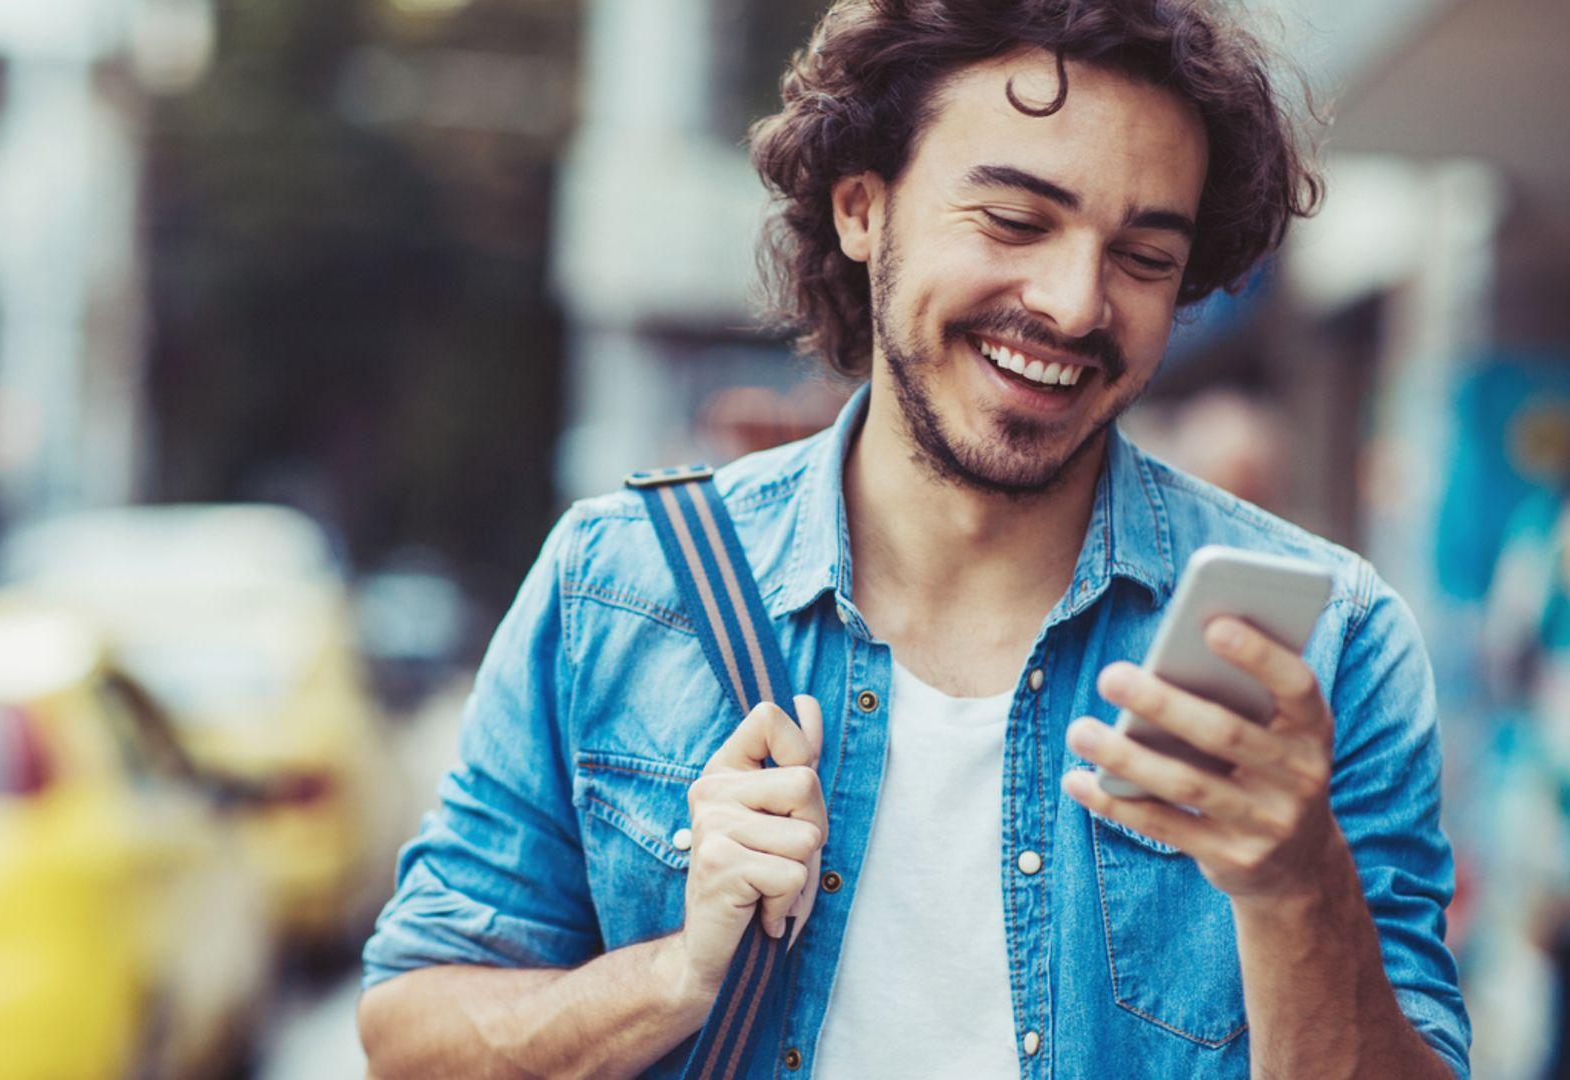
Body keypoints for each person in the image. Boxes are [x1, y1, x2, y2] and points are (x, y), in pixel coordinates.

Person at [357, 1, 1470, 1075]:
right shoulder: (618, 584)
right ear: (862, 207)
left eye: (1143, 257)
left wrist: (1297, 891)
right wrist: (675, 976)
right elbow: (410, 1040)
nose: (1077, 302)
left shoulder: (1331, 646)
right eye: (1016, 219)